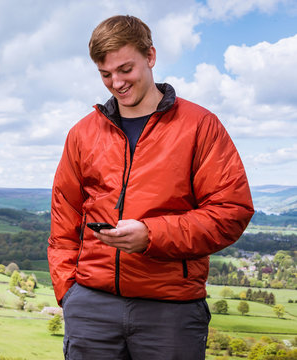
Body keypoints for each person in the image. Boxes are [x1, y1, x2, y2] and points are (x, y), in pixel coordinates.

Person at [47, 15, 254, 359]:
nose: (116, 82)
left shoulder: (200, 126)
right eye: (105, 74)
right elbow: (64, 217)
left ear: (151, 57)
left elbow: (232, 212)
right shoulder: (82, 133)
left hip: (170, 312)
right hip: (90, 308)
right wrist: (69, 292)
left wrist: (152, 234)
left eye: (125, 69)